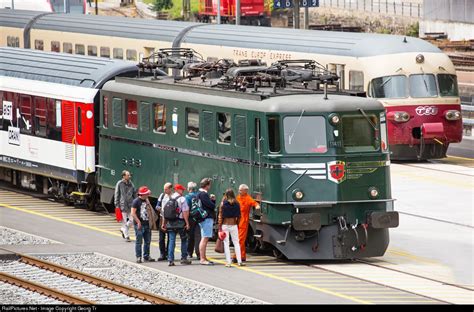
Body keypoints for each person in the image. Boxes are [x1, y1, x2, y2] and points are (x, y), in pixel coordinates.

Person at [162, 184, 192, 266]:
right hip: (180, 222)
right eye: (182, 190)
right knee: (184, 240)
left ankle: (170, 260)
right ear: (178, 190)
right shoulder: (182, 199)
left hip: (171, 222)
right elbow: (185, 212)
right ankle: (184, 258)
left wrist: (164, 223)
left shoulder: (169, 198)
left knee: (171, 241)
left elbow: (165, 212)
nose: (183, 191)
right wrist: (187, 223)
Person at [233, 184, 260, 263]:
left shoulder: (248, 198)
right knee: (239, 239)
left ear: (245, 191)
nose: (239, 191)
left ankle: (236, 256)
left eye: (241, 190)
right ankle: (242, 256)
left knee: (240, 239)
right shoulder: (238, 198)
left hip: (243, 222)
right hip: (236, 221)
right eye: (239, 190)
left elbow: (255, 203)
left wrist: (257, 206)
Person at [218, 188, 244, 267]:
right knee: (236, 243)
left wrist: (219, 226)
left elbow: (220, 216)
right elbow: (239, 216)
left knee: (226, 243)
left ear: (226, 195)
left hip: (225, 225)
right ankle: (239, 261)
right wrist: (237, 223)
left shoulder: (223, 204)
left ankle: (228, 262)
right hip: (234, 225)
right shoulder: (237, 203)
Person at [130, 186, 155, 263]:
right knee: (139, 241)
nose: (148, 195)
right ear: (142, 194)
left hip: (147, 223)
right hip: (139, 224)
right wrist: (138, 222)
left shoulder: (146, 200)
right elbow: (133, 213)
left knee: (148, 241)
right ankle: (138, 256)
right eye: (146, 194)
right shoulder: (136, 201)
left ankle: (146, 255)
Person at [197, 178, 216, 265]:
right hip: (206, 218)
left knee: (204, 238)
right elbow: (211, 206)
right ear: (207, 185)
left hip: (203, 218)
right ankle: (202, 259)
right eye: (209, 185)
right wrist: (213, 200)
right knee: (205, 238)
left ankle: (203, 257)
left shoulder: (199, 194)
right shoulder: (203, 194)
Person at [114, 170, 136, 242]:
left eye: (129, 175)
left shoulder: (131, 184)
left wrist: (135, 203)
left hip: (131, 204)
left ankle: (123, 229)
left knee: (132, 220)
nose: (129, 176)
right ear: (124, 176)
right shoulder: (119, 183)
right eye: (128, 175)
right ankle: (126, 236)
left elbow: (134, 194)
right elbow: (117, 194)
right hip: (122, 205)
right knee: (123, 221)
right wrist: (117, 205)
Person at [155, 182, 172, 261]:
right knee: (161, 238)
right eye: (164, 189)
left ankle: (168, 253)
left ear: (170, 189)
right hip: (162, 218)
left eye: (166, 189)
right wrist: (158, 207)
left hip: (170, 219)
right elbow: (157, 205)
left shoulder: (173, 197)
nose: (164, 190)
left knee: (170, 237)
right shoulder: (162, 195)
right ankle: (162, 253)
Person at [185, 182, 201, 259]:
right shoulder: (199, 195)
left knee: (190, 236)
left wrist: (186, 221)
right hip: (198, 218)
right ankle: (198, 253)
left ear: (189, 189)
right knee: (198, 236)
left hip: (190, 218)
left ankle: (189, 253)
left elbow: (186, 209)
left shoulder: (187, 197)